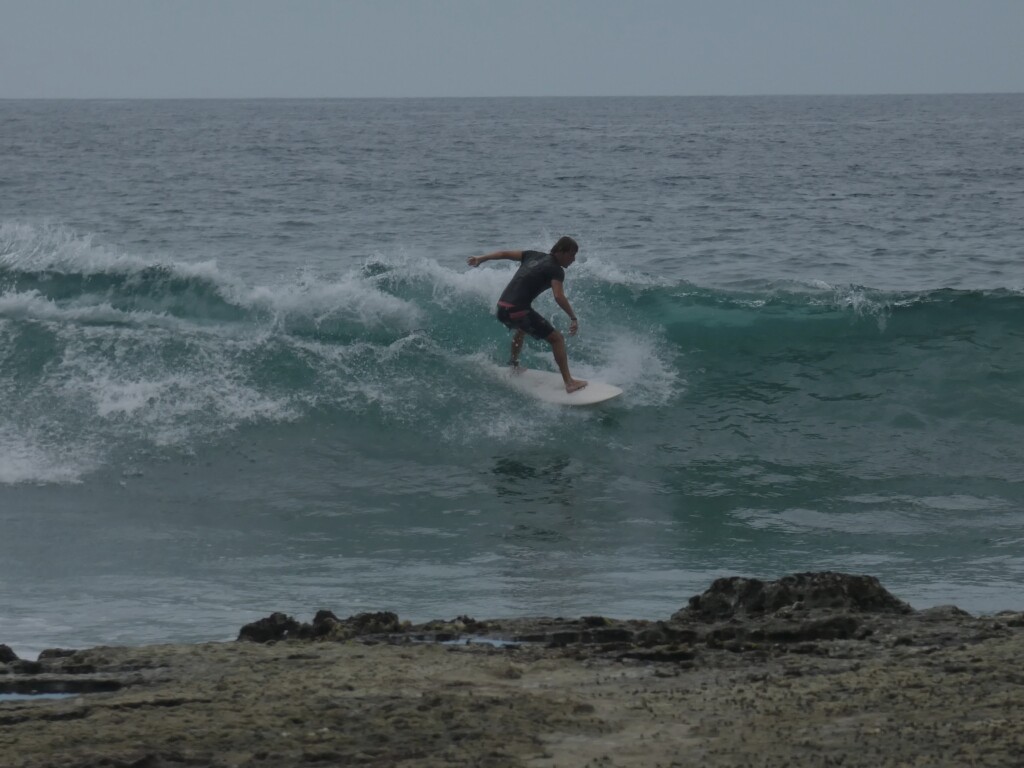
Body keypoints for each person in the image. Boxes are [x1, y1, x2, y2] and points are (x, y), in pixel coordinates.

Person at [467, 236, 587, 393]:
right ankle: (569, 383)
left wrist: (481, 258)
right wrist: (573, 317)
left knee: (521, 328)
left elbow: (504, 253)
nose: (573, 259)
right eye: (571, 254)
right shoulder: (556, 270)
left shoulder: (532, 255)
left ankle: (513, 365)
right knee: (557, 339)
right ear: (560, 252)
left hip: (502, 308)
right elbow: (558, 296)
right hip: (518, 310)